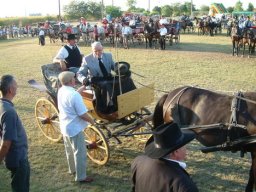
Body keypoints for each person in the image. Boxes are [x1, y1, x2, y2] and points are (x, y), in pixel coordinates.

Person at [131, 122, 198, 192]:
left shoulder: (138, 162)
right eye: (184, 145)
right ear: (176, 152)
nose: (187, 149)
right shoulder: (184, 185)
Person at [77, 41, 136, 114]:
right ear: (92, 50)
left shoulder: (108, 55)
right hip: (96, 81)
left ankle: (131, 99)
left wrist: (122, 70)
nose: (98, 53)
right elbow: (80, 73)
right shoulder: (87, 59)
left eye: (100, 50)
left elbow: (114, 67)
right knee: (106, 85)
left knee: (126, 79)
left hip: (108, 78)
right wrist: (83, 79)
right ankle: (110, 106)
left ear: (103, 49)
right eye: (95, 51)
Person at [57, 71, 95, 183]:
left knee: (69, 150)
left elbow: (73, 94)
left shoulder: (62, 90)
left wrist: (83, 87)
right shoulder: (74, 95)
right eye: (74, 78)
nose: (75, 79)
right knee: (80, 153)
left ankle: (72, 170)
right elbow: (83, 114)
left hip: (65, 126)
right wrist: (92, 121)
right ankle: (81, 177)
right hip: (74, 128)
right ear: (71, 81)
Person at [0, 75, 30, 192]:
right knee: (21, 188)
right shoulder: (9, 112)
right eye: (16, 85)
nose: (17, 87)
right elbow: (6, 143)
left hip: (14, 157)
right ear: (11, 90)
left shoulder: (2, 105)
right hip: (18, 159)